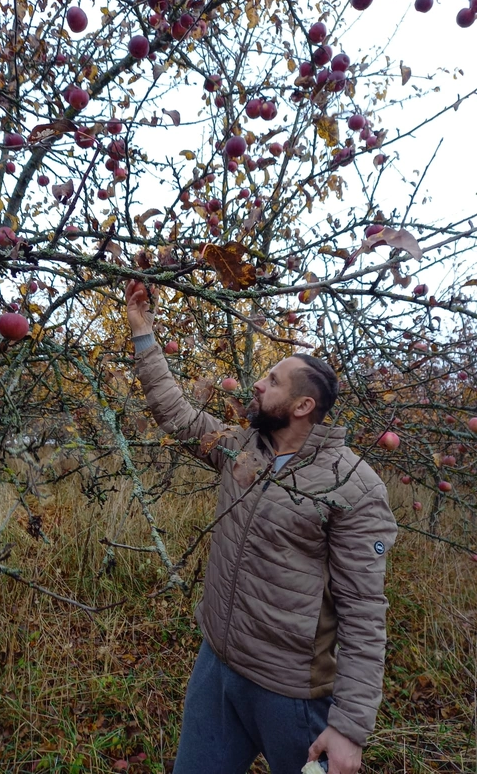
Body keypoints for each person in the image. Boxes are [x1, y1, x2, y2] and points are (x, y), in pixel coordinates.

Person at [125, 281, 398, 774]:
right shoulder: (243, 448)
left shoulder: (354, 486)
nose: (257, 383)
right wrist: (144, 336)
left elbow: (364, 612)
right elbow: (176, 414)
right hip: (218, 668)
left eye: (272, 380)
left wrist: (350, 727)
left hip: (290, 694)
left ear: (302, 406)